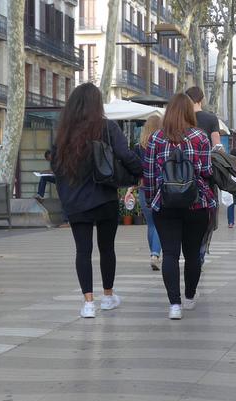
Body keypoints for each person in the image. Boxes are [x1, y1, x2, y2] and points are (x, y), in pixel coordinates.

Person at [51, 83, 142, 318]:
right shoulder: (107, 127)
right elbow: (125, 155)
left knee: (82, 250)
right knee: (106, 248)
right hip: (104, 198)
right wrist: (141, 172)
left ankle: (88, 303)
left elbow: (55, 165)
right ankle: (108, 296)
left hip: (75, 200)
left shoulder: (63, 132)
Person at [142, 93, 215, 320]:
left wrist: (155, 199)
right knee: (192, 254)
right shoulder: (200, 137)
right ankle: (190, 297)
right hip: (196, 204)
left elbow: (150, 174)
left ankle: (174, 305)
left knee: (171, 254)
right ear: (188, 112)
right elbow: (206, 171)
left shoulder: (156, 138)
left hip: (166, 205)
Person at [127, 115, 163, 271]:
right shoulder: (162, 143)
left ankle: (153, 254)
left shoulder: (138, 147)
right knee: (160, 223)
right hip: (160, 187)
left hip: (143, 187)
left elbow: (134, 170)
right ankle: (155, 254)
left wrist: (131, 187)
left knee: (150, 224)